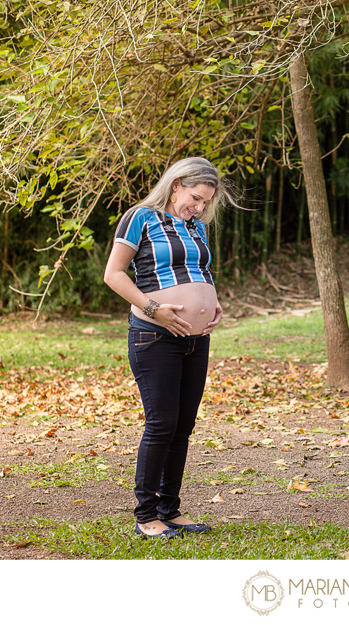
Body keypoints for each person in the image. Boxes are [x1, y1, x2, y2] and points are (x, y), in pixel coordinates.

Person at [104, 157, 238, 539]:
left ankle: (170, 510)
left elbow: (200, 272)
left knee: (183, 427)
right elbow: (113, 274)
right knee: (161, 424)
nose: (199, 207)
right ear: (176, 184)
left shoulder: (196, 227)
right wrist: (154, 309)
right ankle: (146, 515)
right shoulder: (141, 217)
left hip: (196, 339)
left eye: (206, 203)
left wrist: (213, 303)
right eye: (195, 198)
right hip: (154, 334)